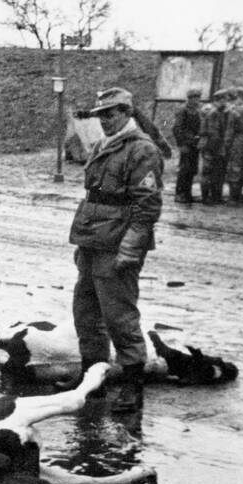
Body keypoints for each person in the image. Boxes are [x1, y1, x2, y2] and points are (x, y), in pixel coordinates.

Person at [68, 87, 162, 414]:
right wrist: (83, 244)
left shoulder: (141, 150)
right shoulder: (104, 145)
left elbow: (147, 208)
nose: (105, 121)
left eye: (110, 114)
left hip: (118, 243)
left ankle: (132, 385)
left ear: (126, 113)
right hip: (94, 239)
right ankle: (92, 379)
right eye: (101, 115)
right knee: (86, 311)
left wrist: (130, 250)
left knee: (119, 315)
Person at [199, 88, 232, 204]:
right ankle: (205, 197)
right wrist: (219, 149)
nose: (226, 102)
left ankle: (216, 196)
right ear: (219, 100)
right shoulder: (213, 113)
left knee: (218, 172)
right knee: (208, 172)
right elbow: (213, 134)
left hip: (216, 146)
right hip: (211, 146)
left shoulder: (221, 112)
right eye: (224, 100)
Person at [172, 88, 203, 204]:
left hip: (195, 144)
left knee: (192, 170)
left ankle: (187, 194)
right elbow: (177, 128)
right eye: (194, 98)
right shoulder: (183, 110)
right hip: (186, 144)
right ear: (189, 99)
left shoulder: (197, 110)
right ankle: (180, 194)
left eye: (198, 98)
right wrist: (181, 144)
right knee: (184, 169)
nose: (196, 100)